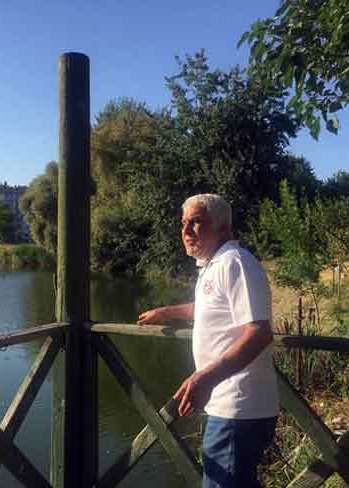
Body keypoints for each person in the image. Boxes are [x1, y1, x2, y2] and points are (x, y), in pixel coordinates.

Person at [138, 193, 278, 488]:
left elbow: (259, 332)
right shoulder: (212, 265)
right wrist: (166, 312)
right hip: (227, 406)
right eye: (183, 223)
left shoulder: (235, 262)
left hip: (238, 408)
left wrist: (206, 377)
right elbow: (208, 307)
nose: (186, 231)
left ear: (223, 227)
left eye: (196, 222)